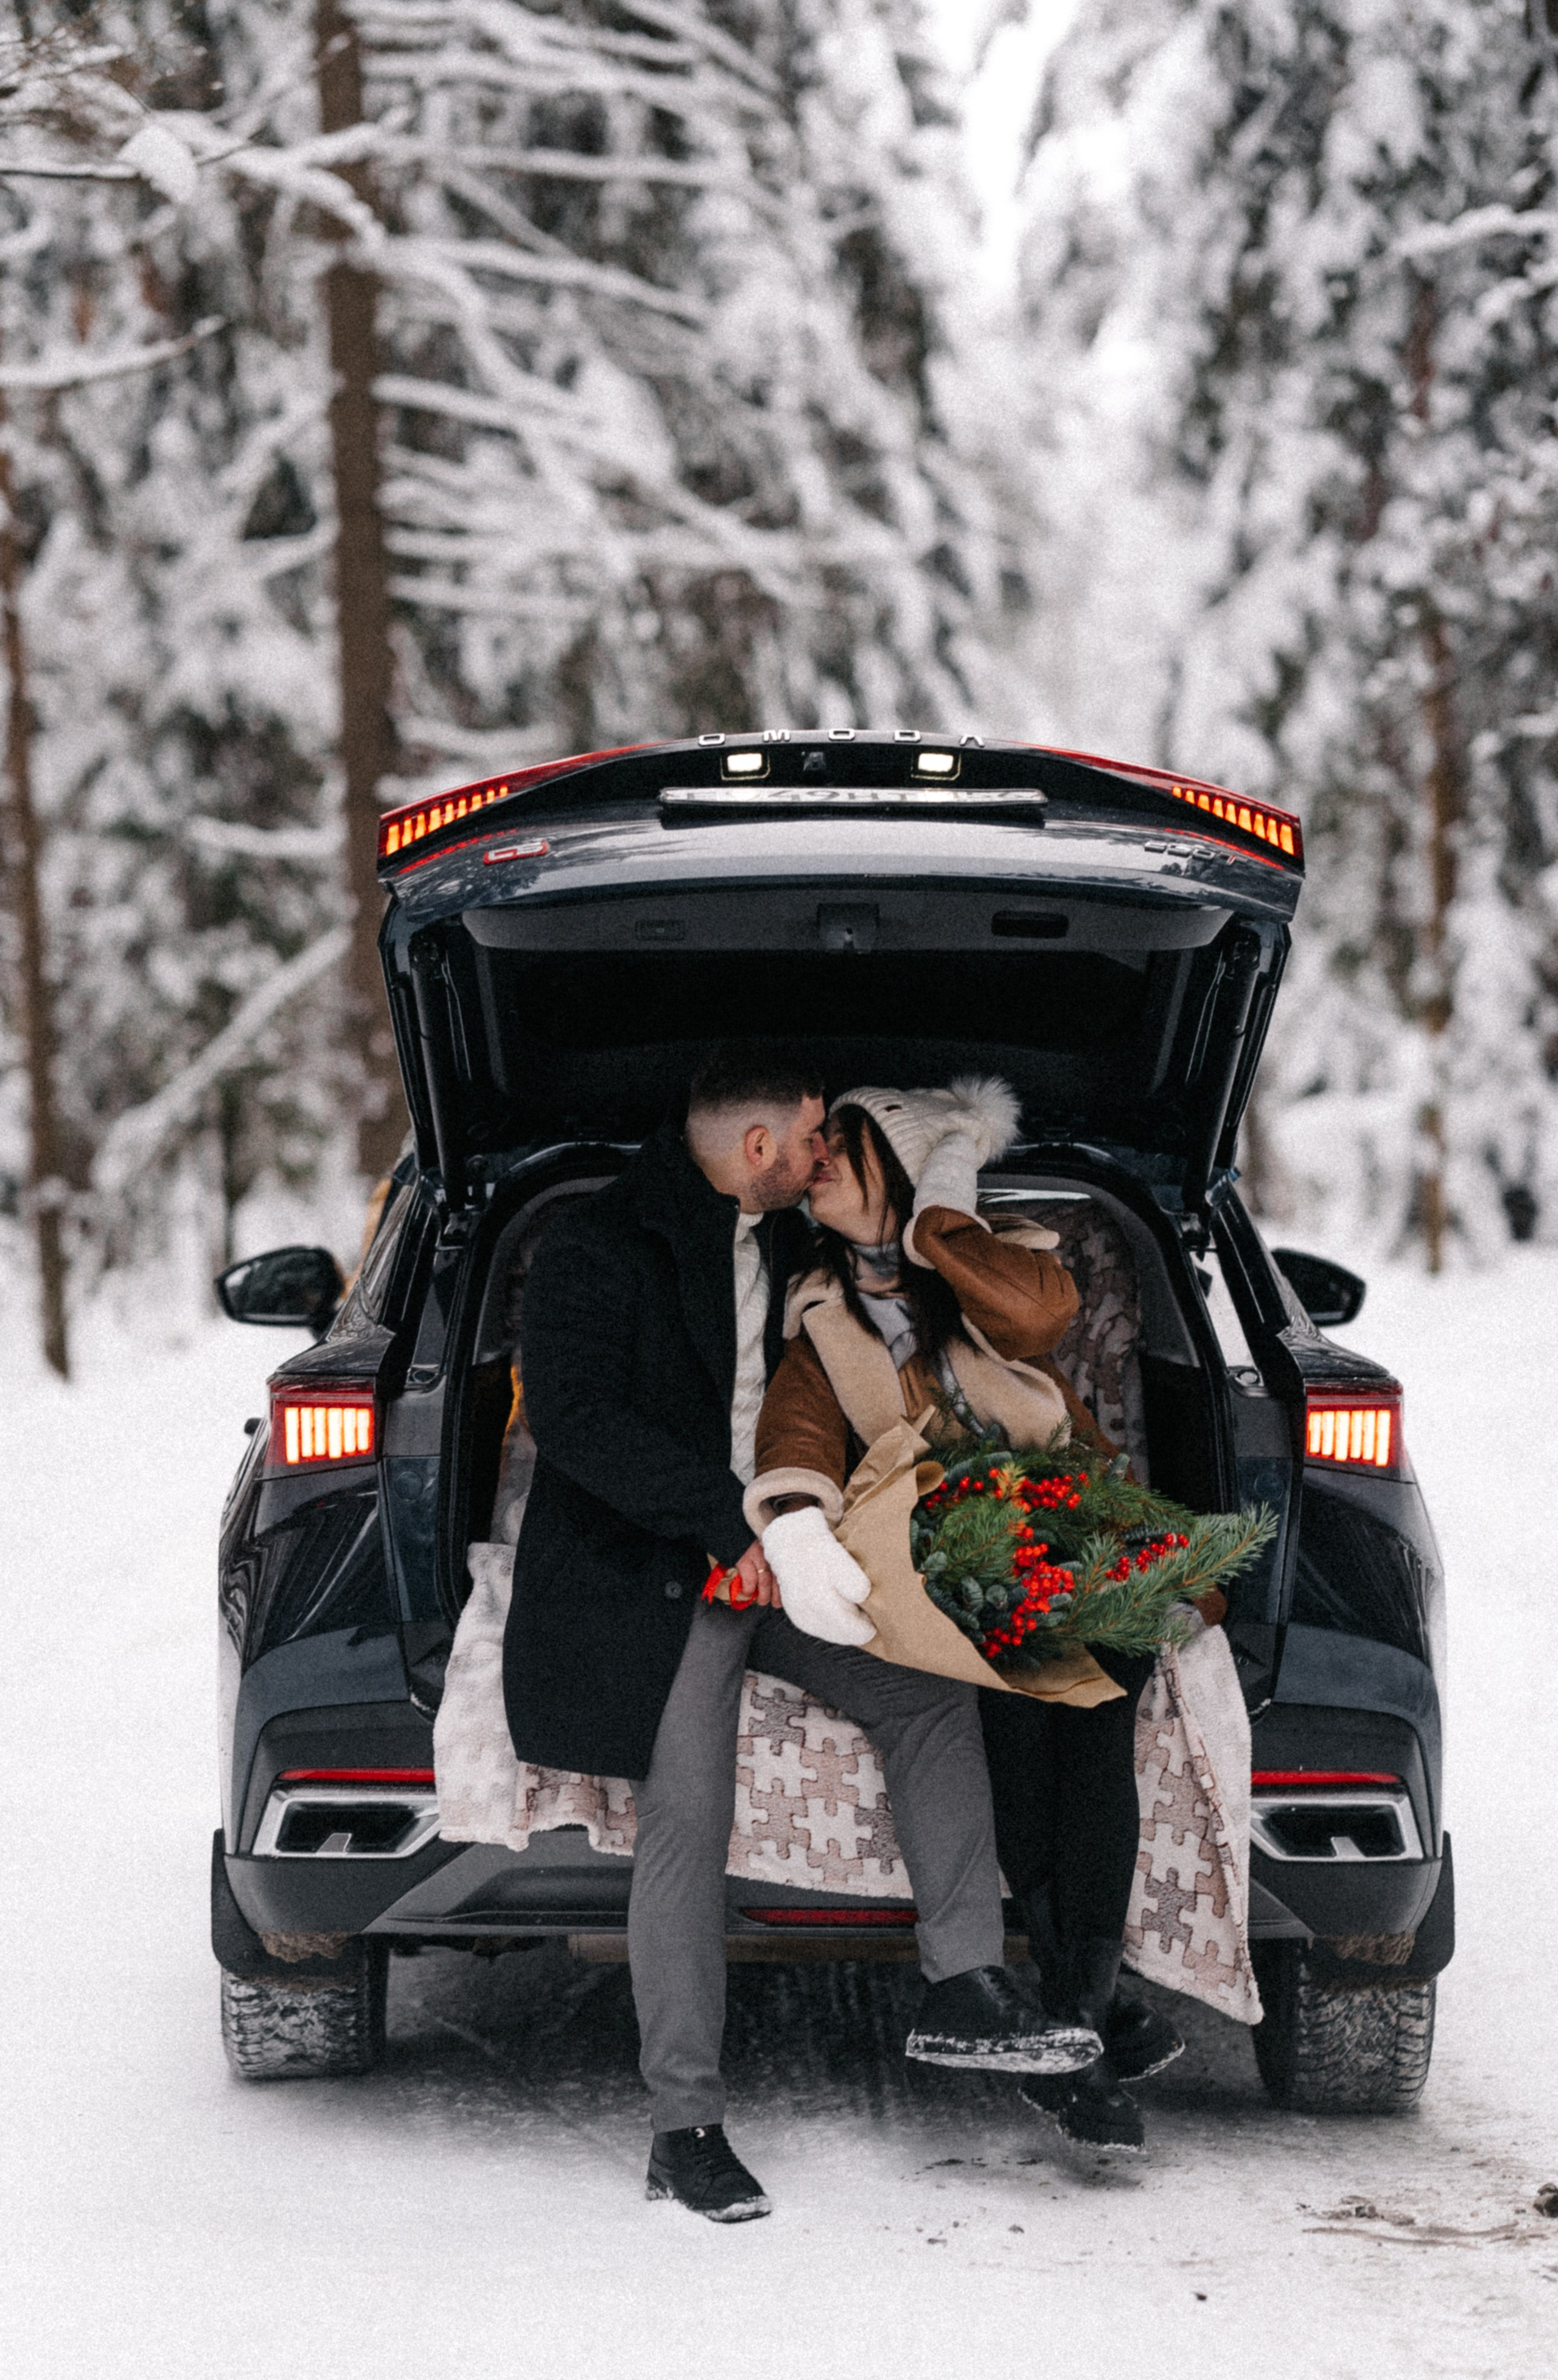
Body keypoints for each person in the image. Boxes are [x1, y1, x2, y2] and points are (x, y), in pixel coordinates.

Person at [503, 1044, 1102, 2224]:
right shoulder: (595, 1242)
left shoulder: (793, 1242)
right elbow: (575, 1422)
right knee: (688, 1812)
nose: (825, 1152)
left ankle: (965, 1985)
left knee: (924, 1693)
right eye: (813, 1133)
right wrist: (726, 1526)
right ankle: (683, 2128)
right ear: (758, 1146)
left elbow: (919, 1216)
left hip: (789, 1549)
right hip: (661, 1569)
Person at [747, 1077, 1222, 2152]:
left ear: (904, 1166)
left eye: (845, 1145)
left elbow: (1039, 1317)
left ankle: (1080, 2018)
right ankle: (1090, 2018)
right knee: (1020, 1731)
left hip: (1070, 1527)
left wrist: (938, 1225)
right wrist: (795, 1522)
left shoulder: (996, 1264)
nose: (819, 1161)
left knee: (1095, 1714)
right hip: (951, 1566)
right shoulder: (817, 1312)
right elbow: (797, 1430)